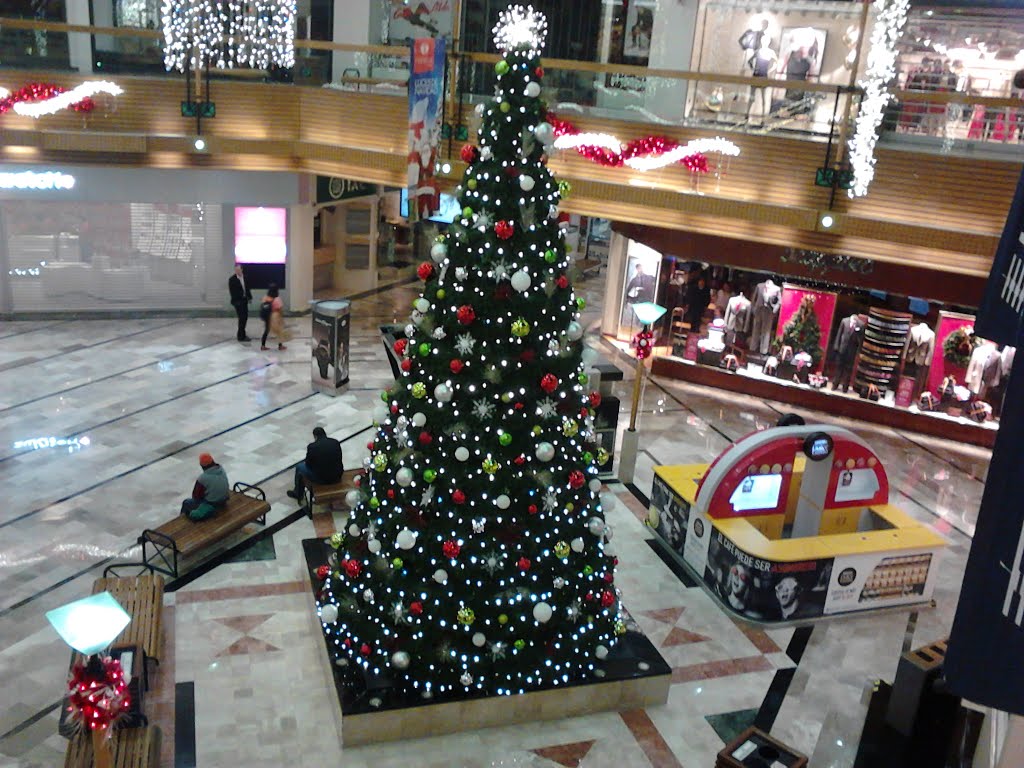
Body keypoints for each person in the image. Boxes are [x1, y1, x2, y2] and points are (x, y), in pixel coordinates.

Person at [287, 427, 344, 500]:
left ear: (315, 436)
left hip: (321, 479)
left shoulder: (312, 447)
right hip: (337, 476)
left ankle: (298, 493)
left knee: (299, 467)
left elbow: (308, 464)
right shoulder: (335, 442)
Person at [180, 453, 230, 521]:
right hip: (224, 500)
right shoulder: (221, 469)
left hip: (212, 504)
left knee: (186, 503)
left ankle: (181, 522)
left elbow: (196, 496)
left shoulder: (203, 478)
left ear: (202, 466)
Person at [260, 283, 289, 351]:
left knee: (266, 331)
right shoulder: (277, 299)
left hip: (267, 317)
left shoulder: (265, 297)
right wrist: (281, 318)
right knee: (279, 331)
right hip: (274, 317)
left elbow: (263, 306)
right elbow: (280, 310)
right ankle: (280, 346)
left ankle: (263, 346)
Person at [228, 264, 252, 342]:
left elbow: (247, 288)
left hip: (244, 300)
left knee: (245, 318)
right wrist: (237, 302)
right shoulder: (232, 279)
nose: (237, 271)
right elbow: (232, 292)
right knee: (242, 318)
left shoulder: (245, 277)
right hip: (238, 302)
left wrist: (249, 297)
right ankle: (241, 336)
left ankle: (242, 334)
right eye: (236, 270)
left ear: (242, 270)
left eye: (238, 270)